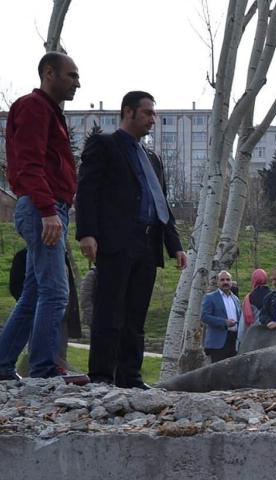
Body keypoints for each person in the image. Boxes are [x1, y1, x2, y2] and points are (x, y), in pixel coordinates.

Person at [0, 52, 88, 385]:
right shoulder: (33, 107)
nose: (77, 83)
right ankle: (43, 370)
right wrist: (46, 211)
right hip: (43, 208)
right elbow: (29, 165)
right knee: (56, 293)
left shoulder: (50, 113)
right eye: (71, 76)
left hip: (50, 208)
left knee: (33, 294)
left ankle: (0, 369)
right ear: (49, 73)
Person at [76, 90, 188, 389]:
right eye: (148, 113)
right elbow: (87, 190)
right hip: (115, 242)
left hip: (147, 245)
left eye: (154, 113)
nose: (154, 119)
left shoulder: (152, 158)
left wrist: (174, 244)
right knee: (109, 310)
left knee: (136, 314)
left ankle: (130, 376)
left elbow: (161, 202)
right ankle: (102, 375)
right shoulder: (105, 145)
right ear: (128, 112)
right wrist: (87, 232)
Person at [8, 247, 81, 373]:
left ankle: (57, 371)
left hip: (61, 314)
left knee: (60, 350)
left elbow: (69, 288)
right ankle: (37, 371)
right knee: (38, 348)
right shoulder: (24, 256)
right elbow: (16, 285)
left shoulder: (62, 256)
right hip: (39, 312)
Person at [201, 269, 243, 361]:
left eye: (228, 280)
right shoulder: (210, 297)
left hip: (234, 340)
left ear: (231, 282)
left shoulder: (235, 299)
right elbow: (204, 316)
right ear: (217, 282)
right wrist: (224, 322)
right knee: (218, 373)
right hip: (218, 343)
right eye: (222, 280)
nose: (225, 282)